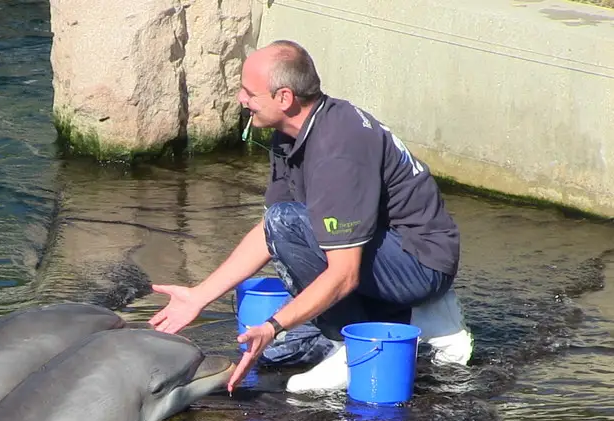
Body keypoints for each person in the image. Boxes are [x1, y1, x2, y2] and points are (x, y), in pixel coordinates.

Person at [148, 39, 473, 392]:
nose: (242, 100)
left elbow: (343, 273)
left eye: (249, 92)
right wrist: (199, 295)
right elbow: (269, 233)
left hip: (421, 264)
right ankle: (410, 320)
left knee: (286, 231)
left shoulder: (338, 151)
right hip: (382, 251)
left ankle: (352, 345)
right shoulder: (289, 134)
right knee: (279, 354)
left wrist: (273, 325)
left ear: (284, 98)